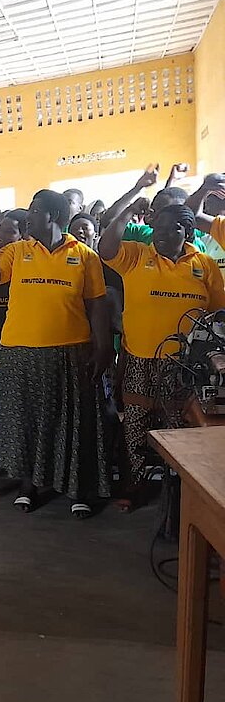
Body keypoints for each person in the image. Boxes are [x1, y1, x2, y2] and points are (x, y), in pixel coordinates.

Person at [0, 190, 111, 518]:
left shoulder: (84, 256)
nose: (28, 218)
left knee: (71, 424)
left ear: (54, 216)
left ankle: (77, 489)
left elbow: (97, 306)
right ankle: (29, 485)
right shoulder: (18, 251)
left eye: (35, 211)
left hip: (70, 352)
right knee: (27, 423)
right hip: (19, 353)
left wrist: (104, 347)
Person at [99, 202, 225, 509]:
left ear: (188, 232)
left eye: (172, 229)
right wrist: (129, 210)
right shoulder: (136, 256)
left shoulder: (205, 265)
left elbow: (217, 315)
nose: (162, 235)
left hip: (185, 366)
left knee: (178, 428)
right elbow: (106, 248)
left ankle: (178, 492)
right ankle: (135, 484)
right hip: (139, 357)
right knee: (135, 424)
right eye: (158, 228)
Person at [0, 209, 27, 387]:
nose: (0, 236)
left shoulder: (27, 262)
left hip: (22, 339)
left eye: (9, 231)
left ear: (23, 236)